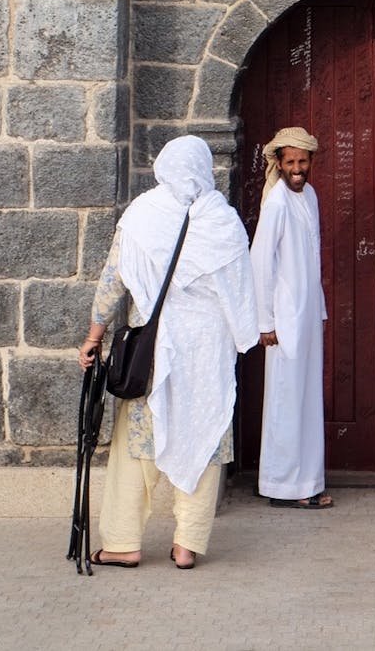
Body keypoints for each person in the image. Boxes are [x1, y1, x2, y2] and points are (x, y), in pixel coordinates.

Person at [77, 135, 258, 570]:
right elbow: (241, 290)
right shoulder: (223, 220)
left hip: (153, 349)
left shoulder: (142, 215)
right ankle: (187, 545)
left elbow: (111, 281)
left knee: (136, 444)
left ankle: (122, 543)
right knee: (204, 433)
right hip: (207, 350)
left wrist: (94, 336)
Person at [250, 126, 333, 509]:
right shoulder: (277, 203)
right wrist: (265, 321)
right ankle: (283, 485)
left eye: (303, 161)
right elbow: (260, 264)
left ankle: (306, 482)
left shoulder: (310, 196)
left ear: (311, 162)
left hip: (306, 314)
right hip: (283, 319)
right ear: (279, 165)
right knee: (286, 398)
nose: (297, 169)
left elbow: (310, 258)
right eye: (290, 162)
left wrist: (317, 306)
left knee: (305, 397)